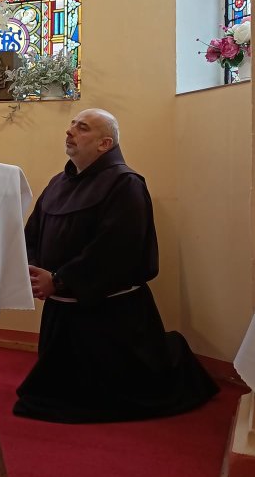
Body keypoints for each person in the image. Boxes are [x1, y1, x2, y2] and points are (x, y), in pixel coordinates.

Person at [13, 108, 219, 423]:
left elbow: (116, 251)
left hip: (110, 319)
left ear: (105, 144)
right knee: (50, 394)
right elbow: (32, 234)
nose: (70, 131)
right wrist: (32, 271)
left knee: (103, 397)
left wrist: (59, 280)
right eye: (72, 124)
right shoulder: (57, 183)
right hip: (61, 317)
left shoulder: (126, 184)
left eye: (82, 128)